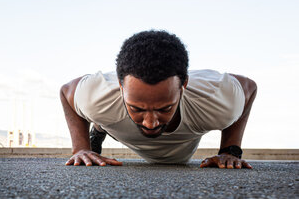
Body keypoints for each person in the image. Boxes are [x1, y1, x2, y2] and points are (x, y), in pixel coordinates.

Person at [60, 30, 257, 168]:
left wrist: (230, 151)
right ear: (121, 87)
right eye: (137, 108)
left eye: (164, 108)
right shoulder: (96, 96)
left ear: (183, 86)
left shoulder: (218, 97)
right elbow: (65, 92)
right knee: (102, 112)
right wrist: (80, 148)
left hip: (182, 146)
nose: (151, 122)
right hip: (111, 117)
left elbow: (249, 88)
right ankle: (99, 128)